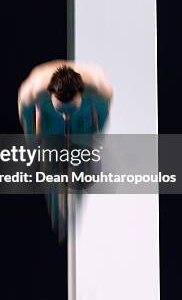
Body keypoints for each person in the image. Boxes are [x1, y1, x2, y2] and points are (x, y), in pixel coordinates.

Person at [17, 60, 112, 240]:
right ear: (50, 94)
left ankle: (75, 206)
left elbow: (103, 117)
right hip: (49, 117)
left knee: (82, 169)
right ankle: (57, 210)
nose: (66, 116)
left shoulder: (100, 91)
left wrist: (94, 138)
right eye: (62, 110)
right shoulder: (33, 92)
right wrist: (33, 142)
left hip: (82, 116)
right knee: (49, 166)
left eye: (69, 110)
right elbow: (26, 117)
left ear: (83, 94)